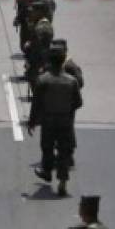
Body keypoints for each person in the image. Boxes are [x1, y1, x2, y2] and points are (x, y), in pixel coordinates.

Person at [28, 43, 81, 196]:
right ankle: (63, 181)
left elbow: (36, 103)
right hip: (65, 120)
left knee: (47, 148)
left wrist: (32, 122)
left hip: (48, 120)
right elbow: (78, 102)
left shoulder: (43, 80)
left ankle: (47, 171)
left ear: (50, 61)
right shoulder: (72, 81)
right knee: (64, 151)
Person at [23, 1, 53, 90]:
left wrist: (29, 46)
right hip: (38, 61)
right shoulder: (39, 24)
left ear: (40, 13)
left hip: (38, 63)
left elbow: (41, 47)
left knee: (37, 88)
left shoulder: (42, 27)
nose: (31, 13)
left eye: (33, 12)